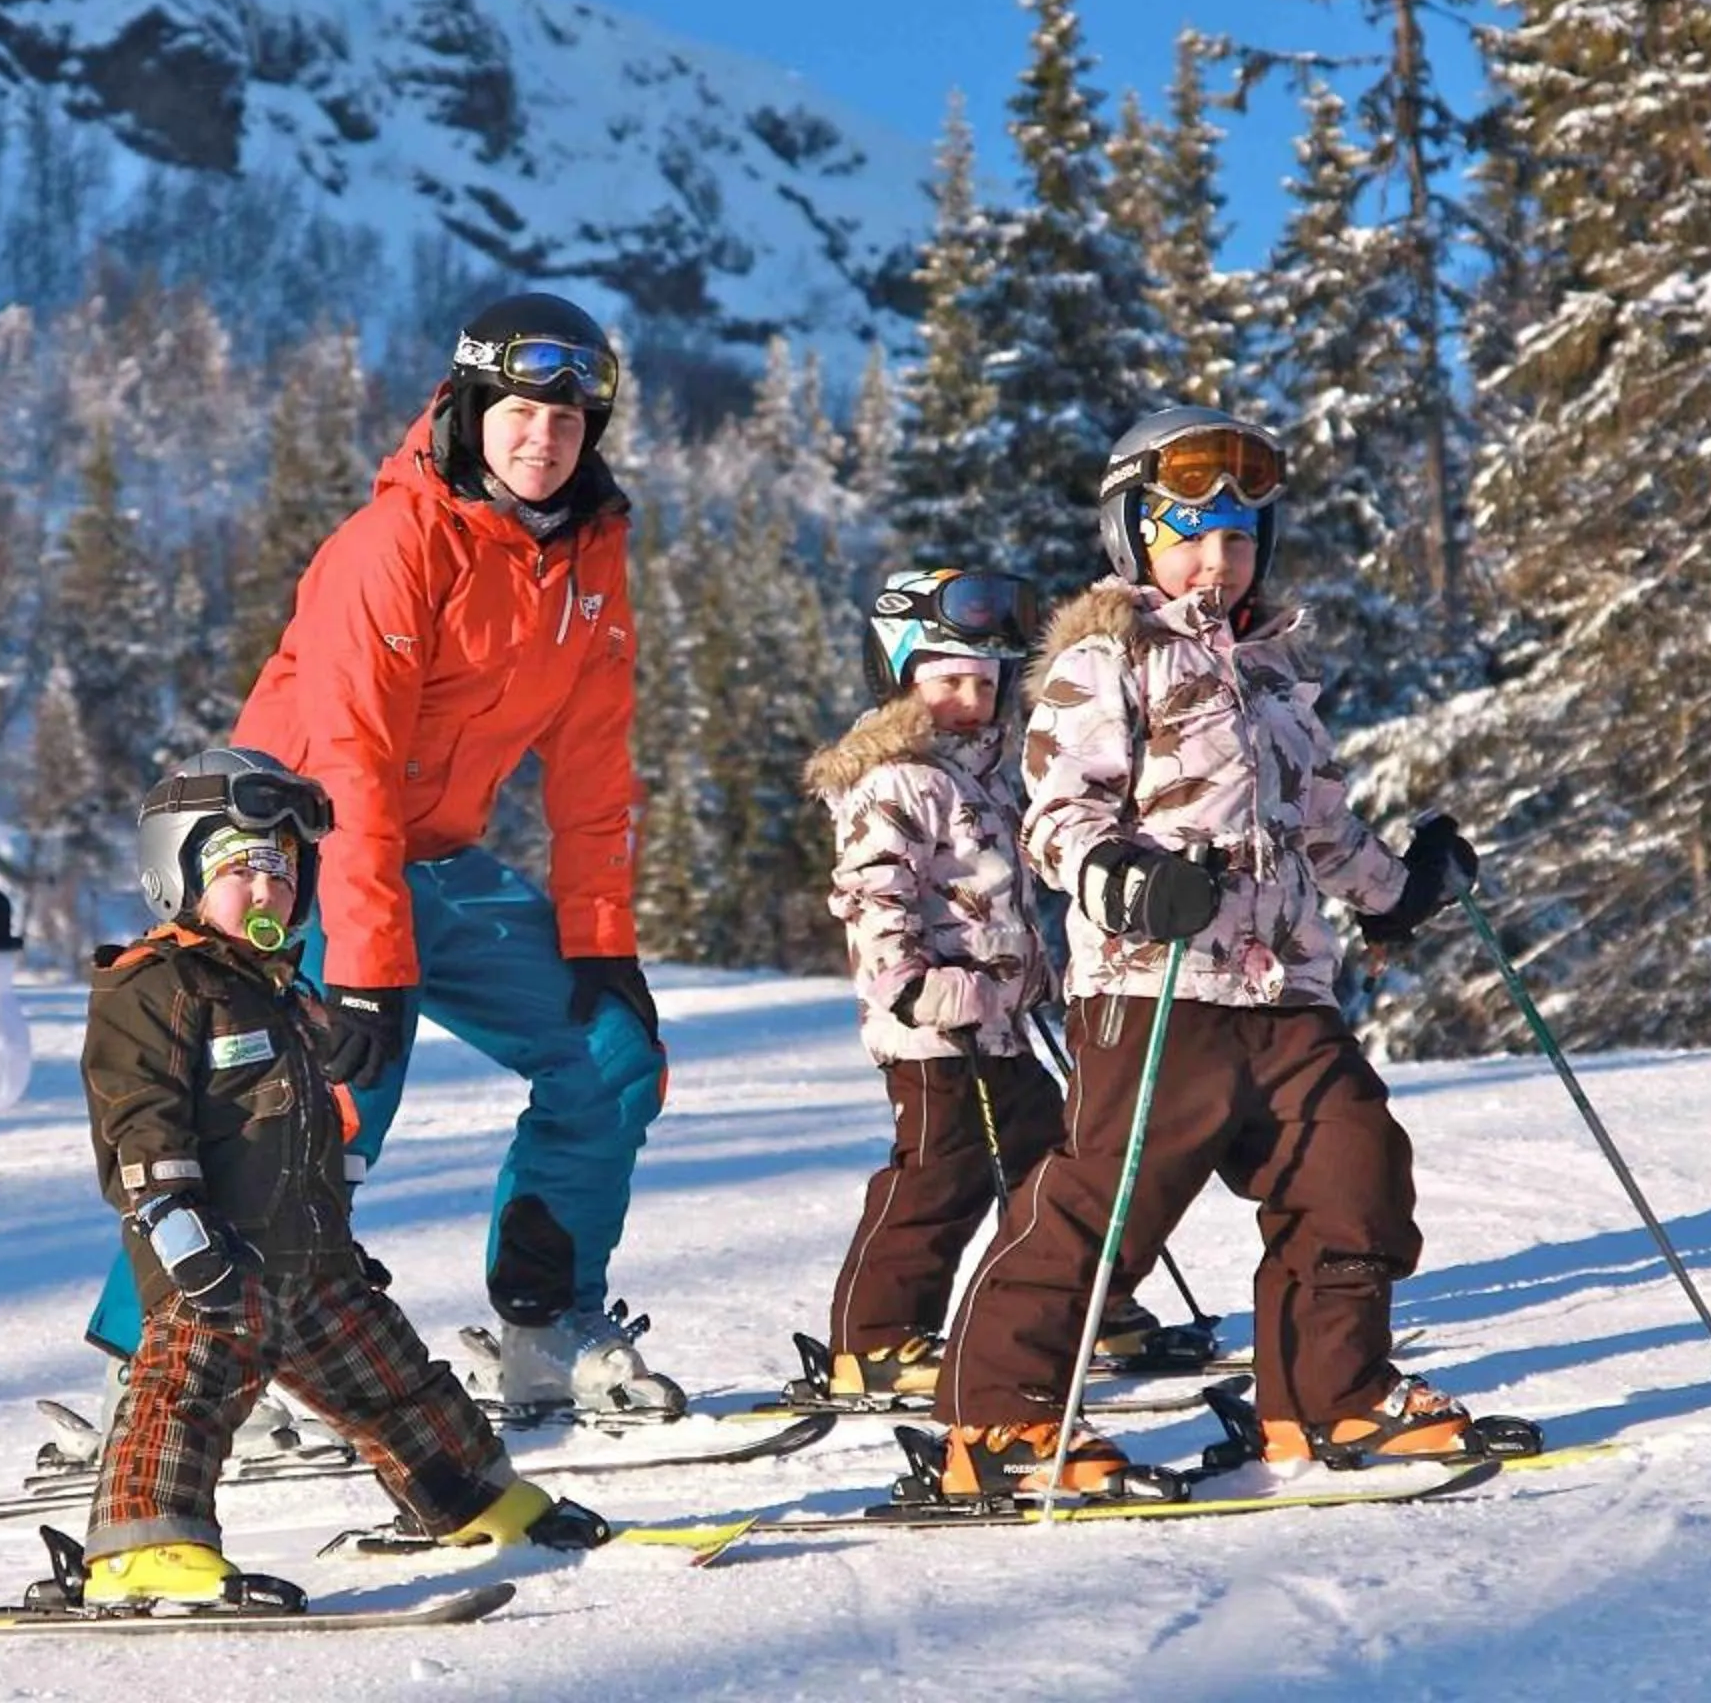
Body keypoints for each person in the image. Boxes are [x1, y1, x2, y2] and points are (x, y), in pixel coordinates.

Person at [917, 405, 1537, 1499]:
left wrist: (1400, 891)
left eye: (1239, 536)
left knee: (1355, 1165)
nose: (1216, 558)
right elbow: (1055, 816)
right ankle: (997, 1424)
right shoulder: (1106, 657)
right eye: (1189, 532)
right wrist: (1126, 876)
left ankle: (1325, 1397)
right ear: (1135, 538)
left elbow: (1322, 828)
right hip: (1158, 989)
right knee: (1108, 1202)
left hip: (1287, 988)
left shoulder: (1273, 676)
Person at [84, 290, 675, 1418]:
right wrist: (359, 961)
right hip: (300, 855)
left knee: (609, 1059)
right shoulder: (394, 542)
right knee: (309, 1102)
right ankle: (159, 1382)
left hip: (434, 857)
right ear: (466, 404)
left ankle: (546, 1327)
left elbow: (597, 764)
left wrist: (603, 943)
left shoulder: (589, 558)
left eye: (567, 418)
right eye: (519, 408)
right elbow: (348, 760)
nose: (542, 436)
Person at [69, 748, 607, 1608]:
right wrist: (175, 1220)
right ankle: (143, 1547)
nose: (268, 890)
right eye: (239, 868)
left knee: (396, 1381)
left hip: (313, 1258)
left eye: (283, 869)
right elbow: (136, 1116)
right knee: (188, 1393)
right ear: (176, 876)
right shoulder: (159, 986)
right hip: (217, 1260)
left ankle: (473, 1498)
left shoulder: (284, 992)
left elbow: (314, 1120)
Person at [802, 567, 1064, 1402]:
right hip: (930, 1025)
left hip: (997, 1021)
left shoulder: (985, 775)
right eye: (946, 678)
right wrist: (912, 985)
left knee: (1048, 1160)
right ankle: (873, 1338)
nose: (967, 698)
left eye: (983, 682)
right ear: (902, 678)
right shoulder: (896, 781)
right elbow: (871, 894)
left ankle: (1076, 1300)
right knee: (940, 1173)